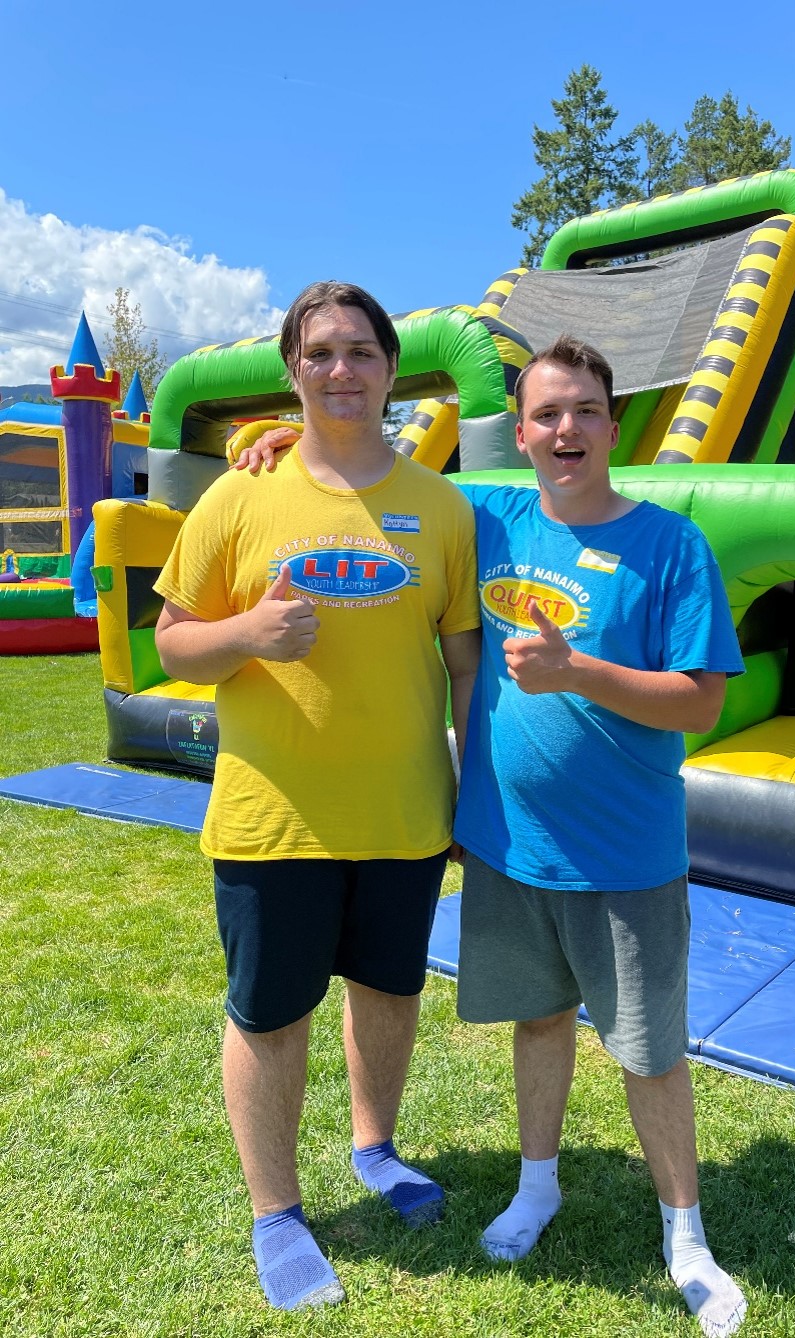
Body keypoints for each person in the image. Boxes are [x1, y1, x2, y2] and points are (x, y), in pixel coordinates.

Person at [238, 335, 747, 1337]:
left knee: (647, 1054)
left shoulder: (668, 544)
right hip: (509, 848)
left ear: (612, 425)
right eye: (547, 414)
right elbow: (366, 487)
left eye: (585, 411)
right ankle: (536, 1185)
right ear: (520, 435)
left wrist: (581, 673)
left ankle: (683, 1232)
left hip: (626, 854)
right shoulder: (488, 519)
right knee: (539, 1025)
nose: (566, 429)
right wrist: (272, 439)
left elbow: (699, 705)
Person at [154, 281, 481, 1312]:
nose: (342, 368)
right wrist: (244, 636)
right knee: (269, 1013)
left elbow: (464, 665)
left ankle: (374, 1147)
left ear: (392, 369)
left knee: (389, 991)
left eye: (361, 351)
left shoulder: (441, 506)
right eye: (321, 352)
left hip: (402, 812)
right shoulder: (238, 496)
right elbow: (170, 639)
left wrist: (474, 792)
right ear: (293, 370)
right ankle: (276, 1212)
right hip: (272, 817)